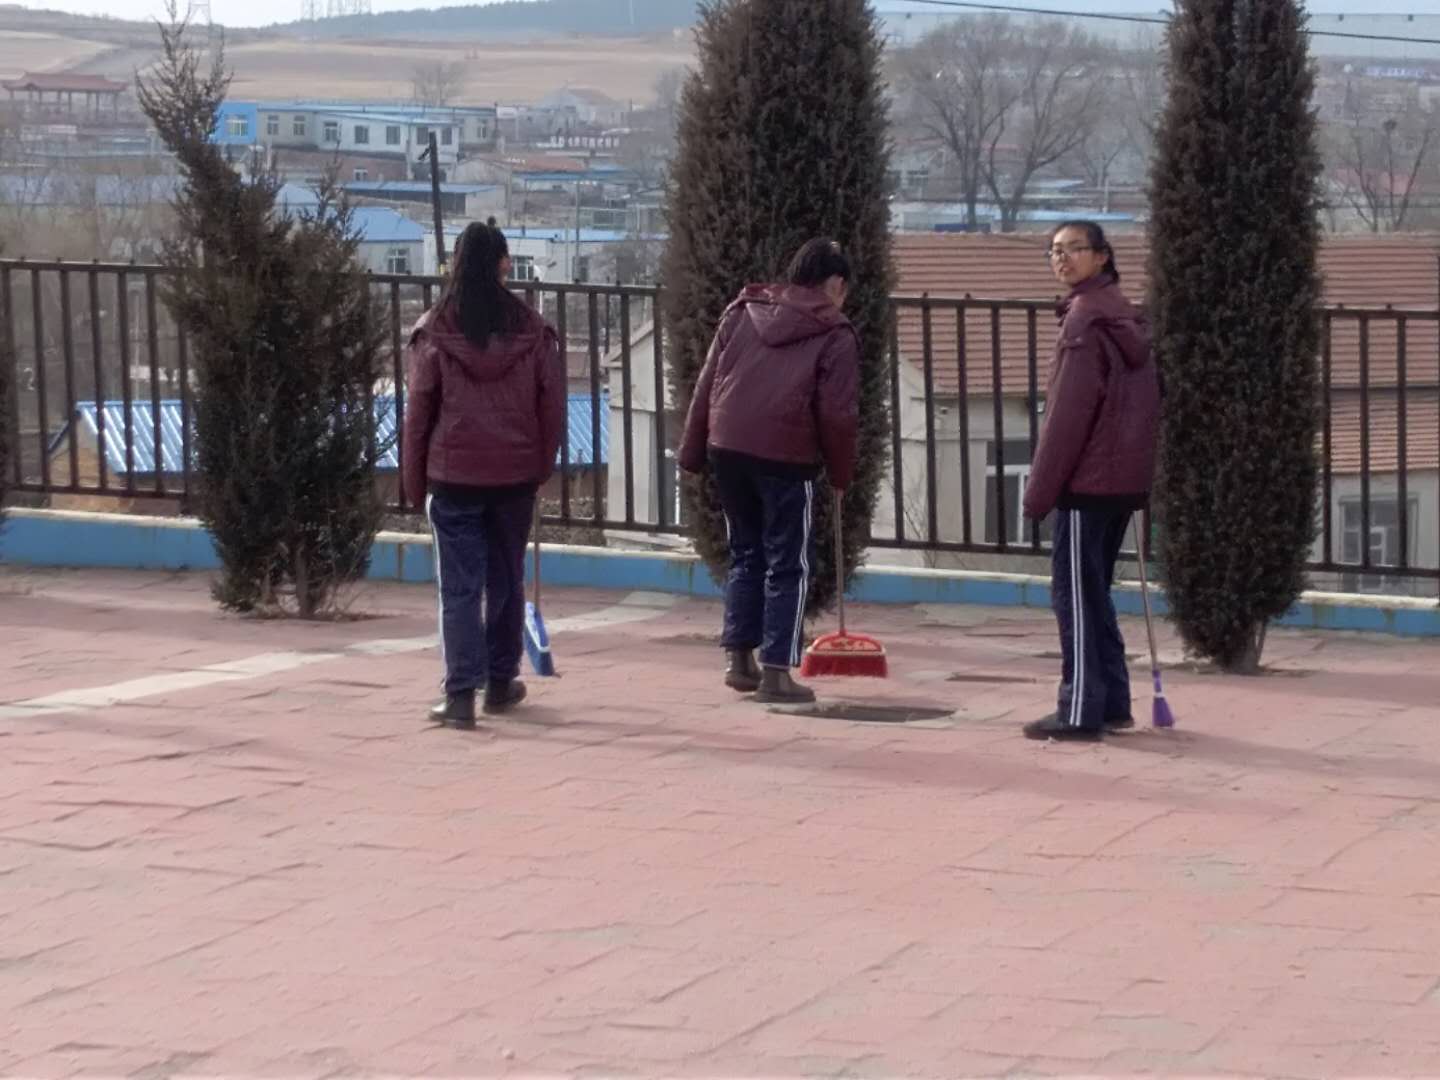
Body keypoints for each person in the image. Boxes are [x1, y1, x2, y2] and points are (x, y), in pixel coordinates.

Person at [679, 238, 860, 705]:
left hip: (728, 445)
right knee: (788, 562)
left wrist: (692, 452)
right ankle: (777, 671)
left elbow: (708, 382)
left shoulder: (744, 309)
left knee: (746, 552)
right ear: (835, 284)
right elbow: (838, 415)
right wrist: (841, 475)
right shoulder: (835, 332)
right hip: (786, 454)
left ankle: (740, 660)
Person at [403, 219, 565, 730]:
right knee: (506, 580)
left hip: (452, 478)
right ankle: (500, 681)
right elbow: (552, 409)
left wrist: (414, 483)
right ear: (504, 265)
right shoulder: (533, 330)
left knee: (459, 588)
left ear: (455, 264)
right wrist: (540, 467)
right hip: (514, 477)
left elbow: (417, 415)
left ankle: (459, 696)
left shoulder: (435, 329)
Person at [1022, 221, 1161, 742]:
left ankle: (1079, 708)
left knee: (1073, 594)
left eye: (1074, 249)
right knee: (1094, 592)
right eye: (1054, 251)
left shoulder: (1083, 320)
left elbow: (1067, 417)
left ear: (1102, 256)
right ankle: (1113, 702)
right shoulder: (1123, 314)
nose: (1062, 259)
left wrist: (1039, 492)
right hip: (1122, 479)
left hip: (1088, 480)